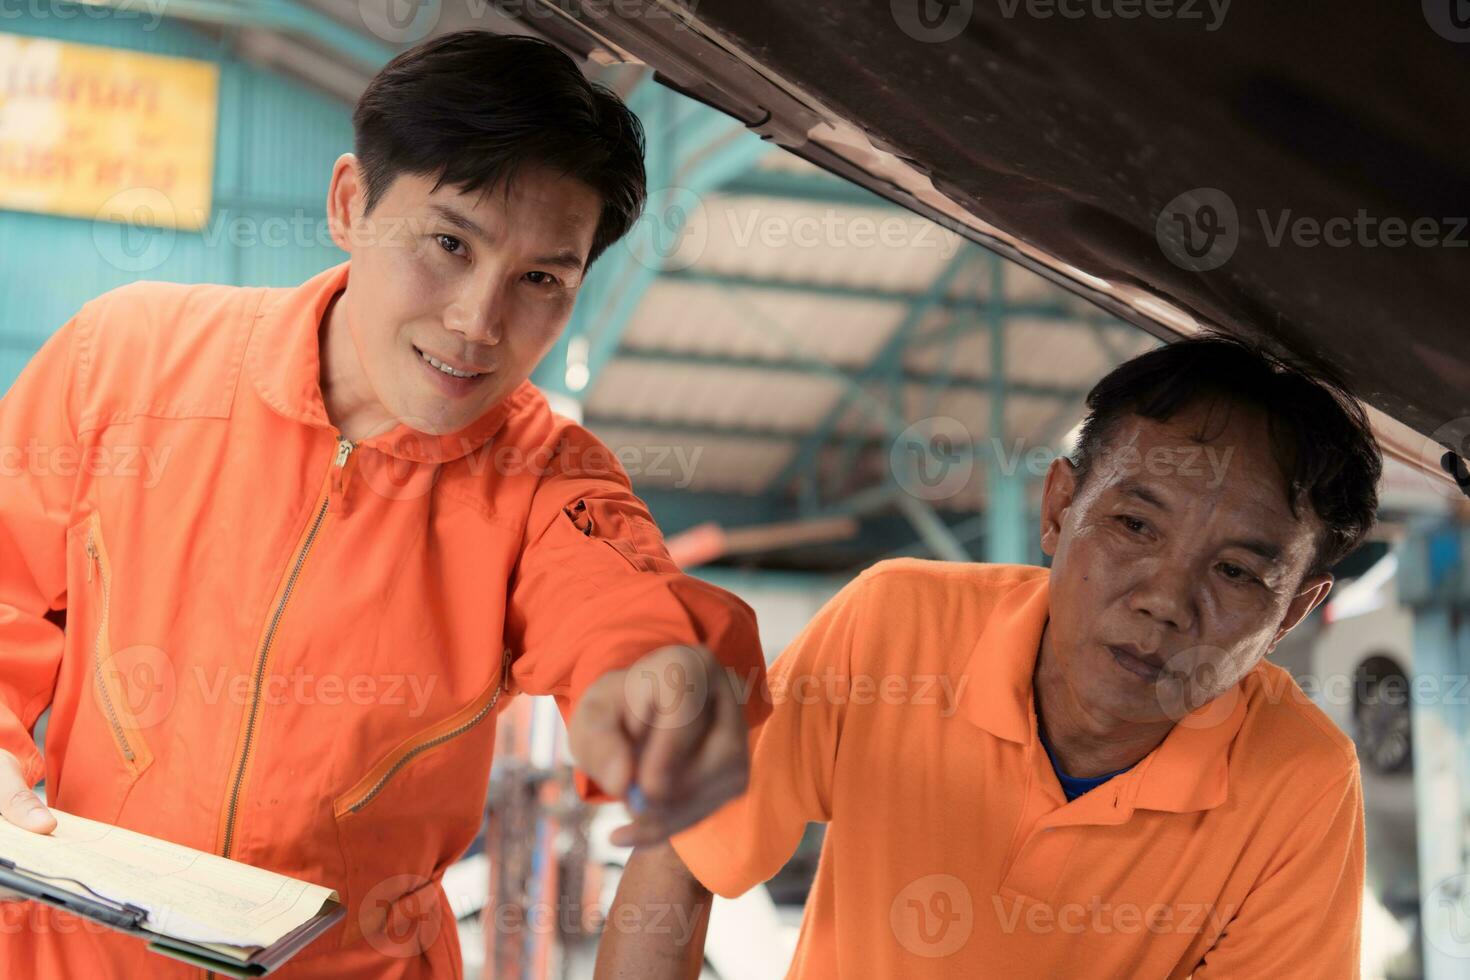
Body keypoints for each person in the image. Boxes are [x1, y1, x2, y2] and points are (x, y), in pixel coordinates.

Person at [0, 30, 768, 978]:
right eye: (449, 243)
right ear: (350, 203)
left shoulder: (547, 488)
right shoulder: (123, 363)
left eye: (540, 280)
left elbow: (647, 643)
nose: (476, 323)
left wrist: (672, 703)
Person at [597, 336, 1381, 979]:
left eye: (1238, 572)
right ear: (1059, 508)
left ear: (1294, 613)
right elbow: (684, 853)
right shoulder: (895, 626)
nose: (1165, 601)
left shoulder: (1298, 783)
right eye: (1135, 526)